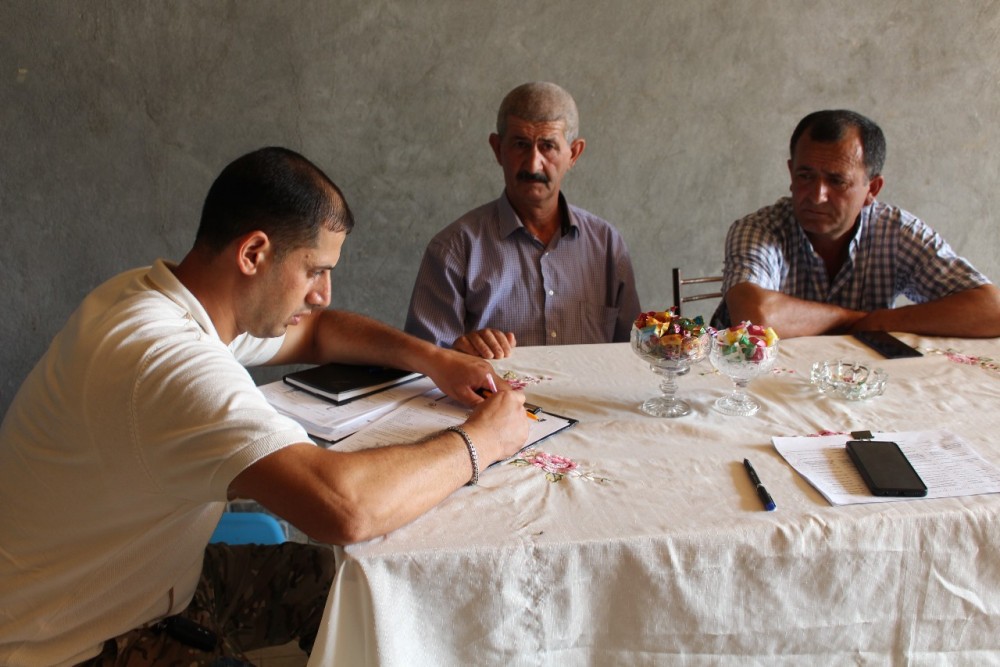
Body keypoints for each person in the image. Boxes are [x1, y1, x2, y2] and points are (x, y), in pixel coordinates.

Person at [0, 147, 530, 666]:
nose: (323, 293)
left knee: (359, 595)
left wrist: (436, 360)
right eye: (315, 271)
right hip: (80, 645)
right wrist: (482, 440)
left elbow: (318, 333)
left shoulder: (165, 297)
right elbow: (345, 509)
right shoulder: (165, 360)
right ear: (253, 253)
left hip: (155, 582)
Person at [404, 81, 641, 359]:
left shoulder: (607, 247)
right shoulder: (453, 249)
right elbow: (422, 367)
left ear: (573, 153)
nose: (532, 164)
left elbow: (634, 356)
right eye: (520, 145)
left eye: (548, 146)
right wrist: (459, 353)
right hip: (491, 390)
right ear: (497, 149)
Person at [717, 109, 1000, 338]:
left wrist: (881, 322)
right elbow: (754, 318)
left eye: (837, 181)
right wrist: (856, 320)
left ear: (872, 189)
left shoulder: (896, 232)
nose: (817, 196)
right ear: (791, 173)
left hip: (861, 383)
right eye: (805, 176)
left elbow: (992, 309)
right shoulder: (760, 229)